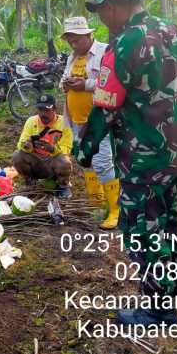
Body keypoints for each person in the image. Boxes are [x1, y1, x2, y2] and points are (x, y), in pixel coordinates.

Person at [75, 0, 177, 327]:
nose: (101, 18)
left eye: (101, 10)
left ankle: (159, 309)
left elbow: (105, 105)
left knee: (141, 231)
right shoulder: (174, 31)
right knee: (168, 219)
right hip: (174, 152)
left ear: (115, 6)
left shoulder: (124, 44)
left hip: (141, 158)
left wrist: (85, 150)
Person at [60, 16, 120, 229]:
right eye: (70, 41)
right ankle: (96, 204)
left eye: (76, 40)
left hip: (98, 120)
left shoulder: (104, 52)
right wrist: (66, 84)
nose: (73, 45)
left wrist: (84, 84)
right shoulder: (73, 57)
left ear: (88, 35)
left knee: (103, 162)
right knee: (86, 158)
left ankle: (115, 210)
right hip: (76, 119)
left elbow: (113, 82)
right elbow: (64, 79)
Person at [12, 94, 73, 198]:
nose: (43, 113)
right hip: (36, 161)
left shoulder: (65, 123)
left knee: (64, 161)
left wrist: (52, 149)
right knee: (17, 155)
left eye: (47, 110)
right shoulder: (31, 121)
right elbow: (20, 143)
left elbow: (67, 148)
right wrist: (27, 145)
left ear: (54, 109)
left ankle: (63, 185)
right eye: (40, 109)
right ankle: (30, 181)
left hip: (54, 162)